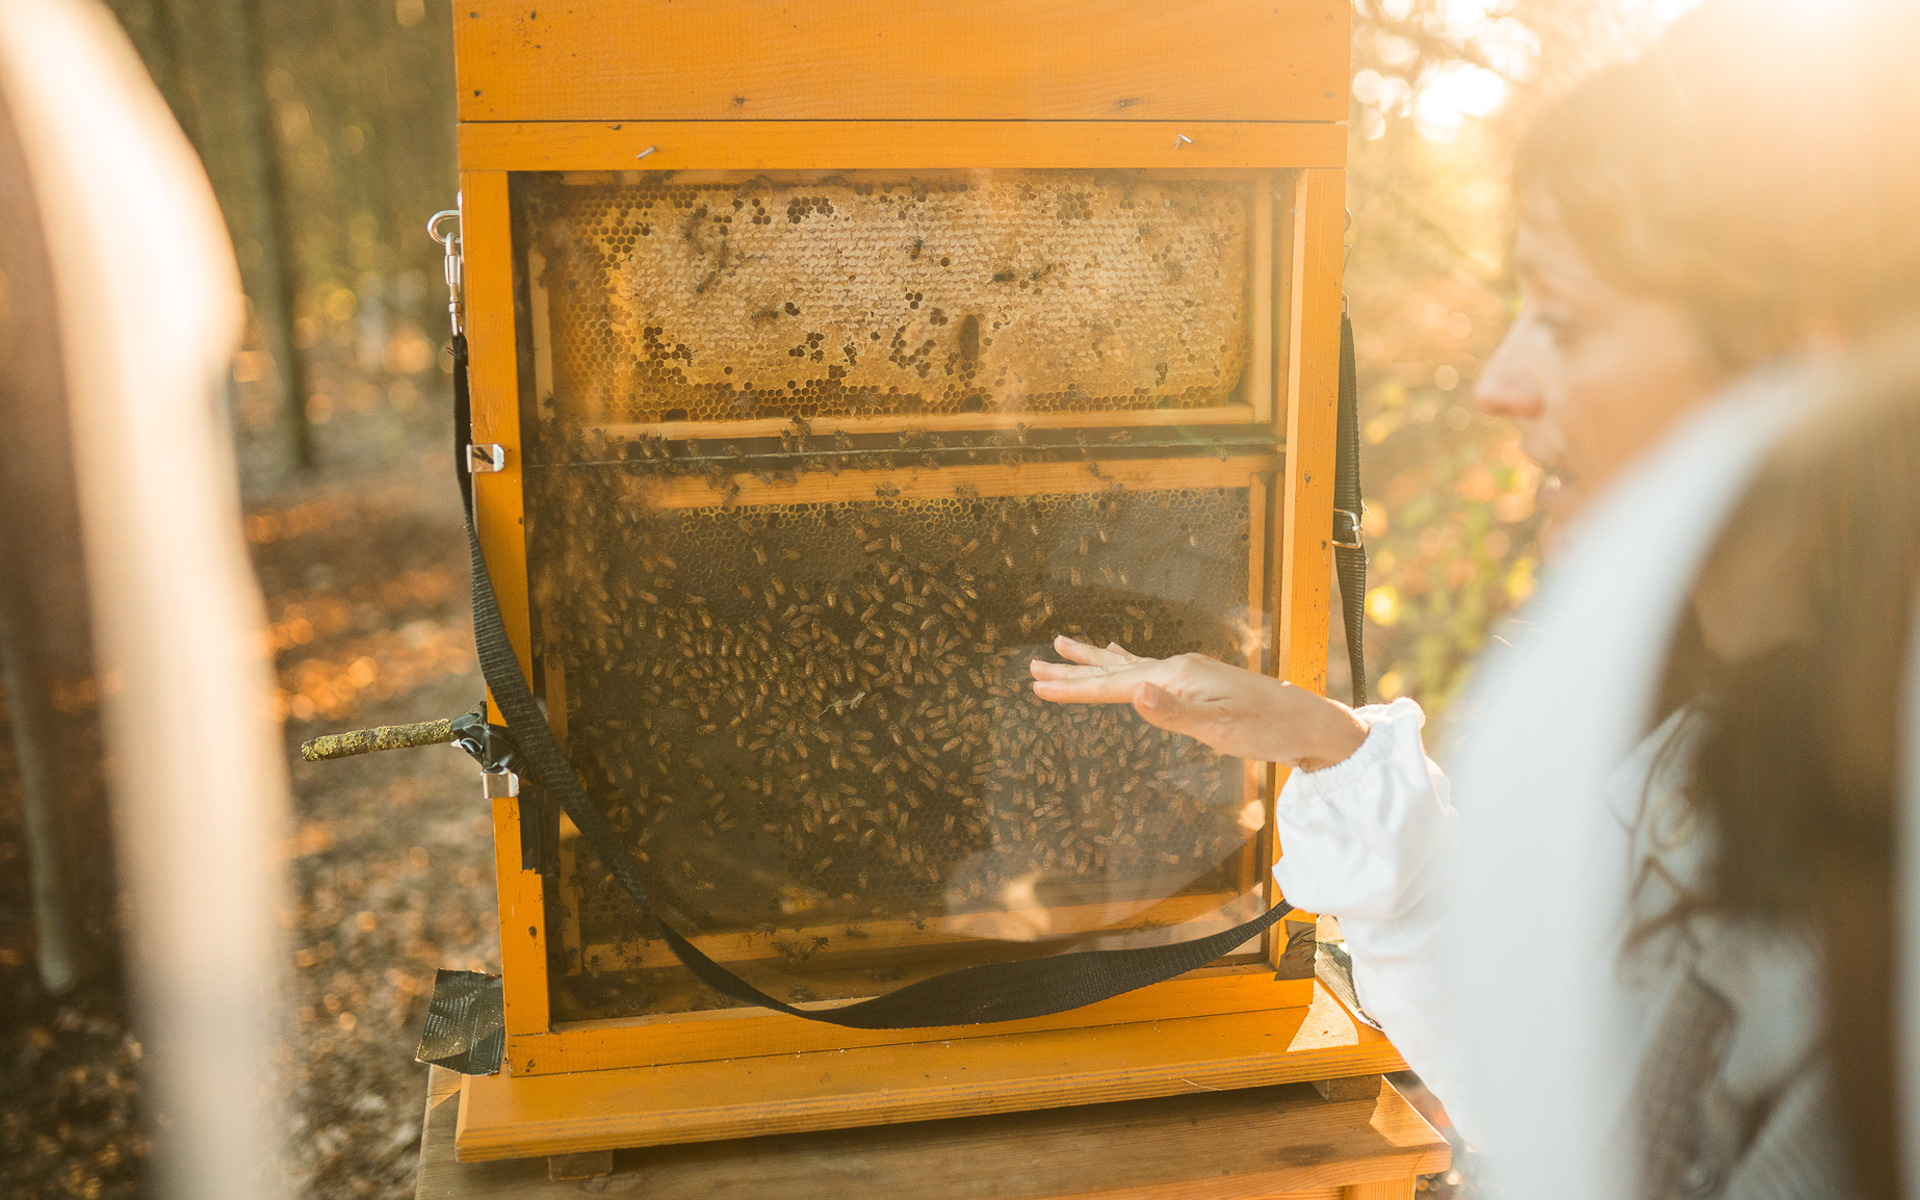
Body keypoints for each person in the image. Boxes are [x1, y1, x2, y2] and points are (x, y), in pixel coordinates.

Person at [1030, 1, 1920, 1195]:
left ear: (1797, 365)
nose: (1499, 381)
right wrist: (1327, 746)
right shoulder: (1703, 742)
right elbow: (1550, 1088)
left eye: (1563, 317)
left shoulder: (1868, 907)